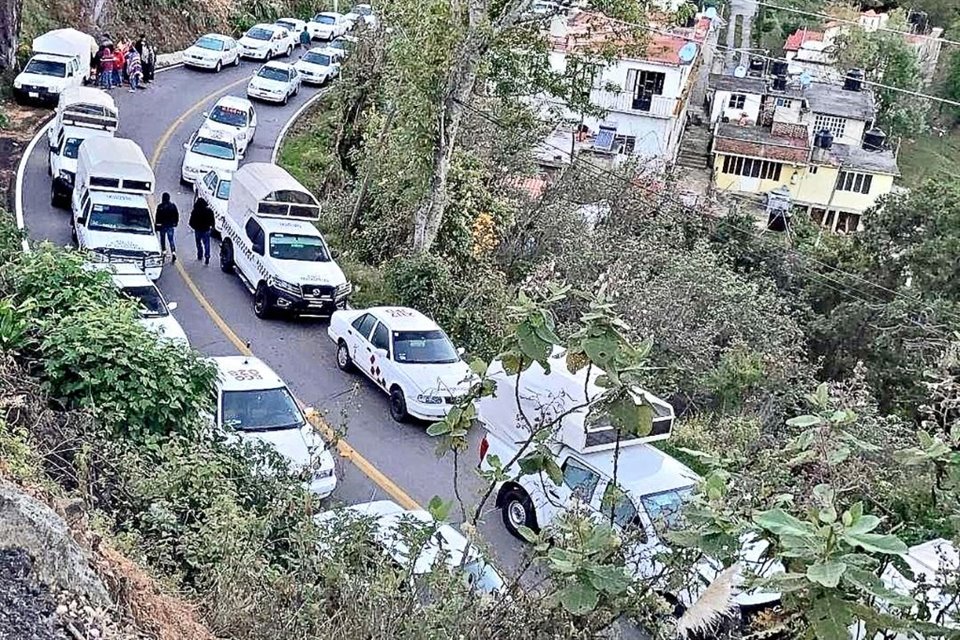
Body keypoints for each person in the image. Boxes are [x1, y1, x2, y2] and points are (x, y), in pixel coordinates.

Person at [189, 197, 214, 265]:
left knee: (198, 243)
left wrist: (194, 227)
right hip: (206, 229)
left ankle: (200, 254)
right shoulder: (209, 211)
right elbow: (212, 220)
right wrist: (211, 227)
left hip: (198, 230)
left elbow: (191, 222)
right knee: (207, 243)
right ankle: (207, 256)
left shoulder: (195, 211)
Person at [155, 192, 179, 262]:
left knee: (163, 239)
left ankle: (164, 252)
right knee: (171, 240)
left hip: (163, 225)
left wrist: (157, 225)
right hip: (170, 225)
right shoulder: (173, 206)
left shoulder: (160, 206)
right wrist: (175, 222)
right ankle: (173, 252)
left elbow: (157, 216)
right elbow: (176, 215)